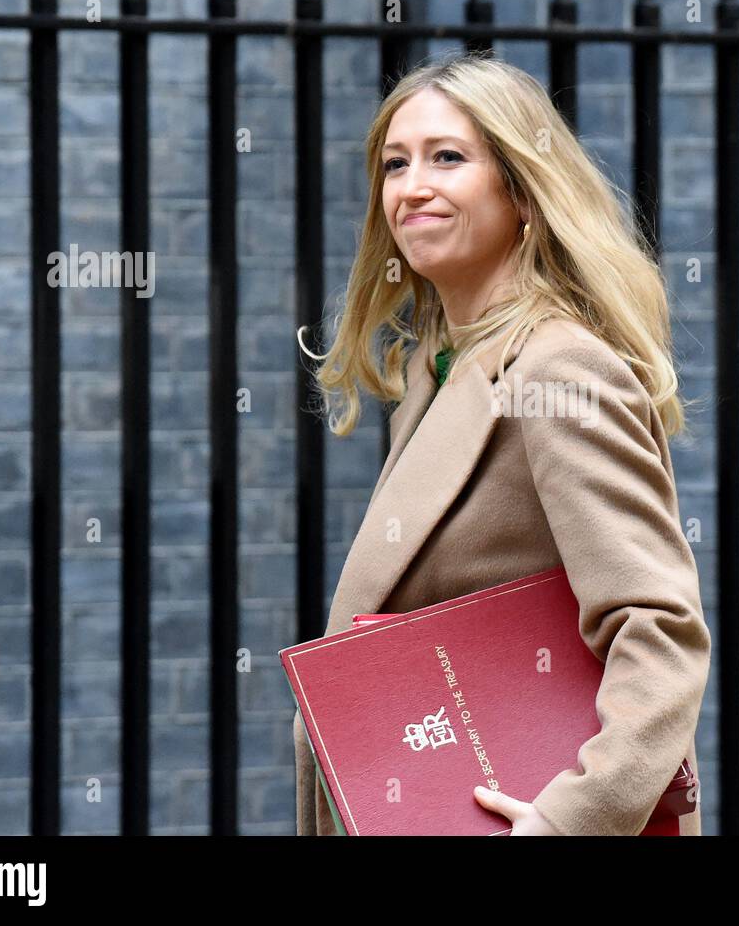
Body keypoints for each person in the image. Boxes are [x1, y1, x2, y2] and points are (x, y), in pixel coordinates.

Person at [293, 50, 711, 836]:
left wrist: (569, 820)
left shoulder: (560, 367)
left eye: (448, 158)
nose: (412, 186)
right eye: (394, 163)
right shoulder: (438, 365)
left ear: (521, 190)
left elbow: (659, 627)